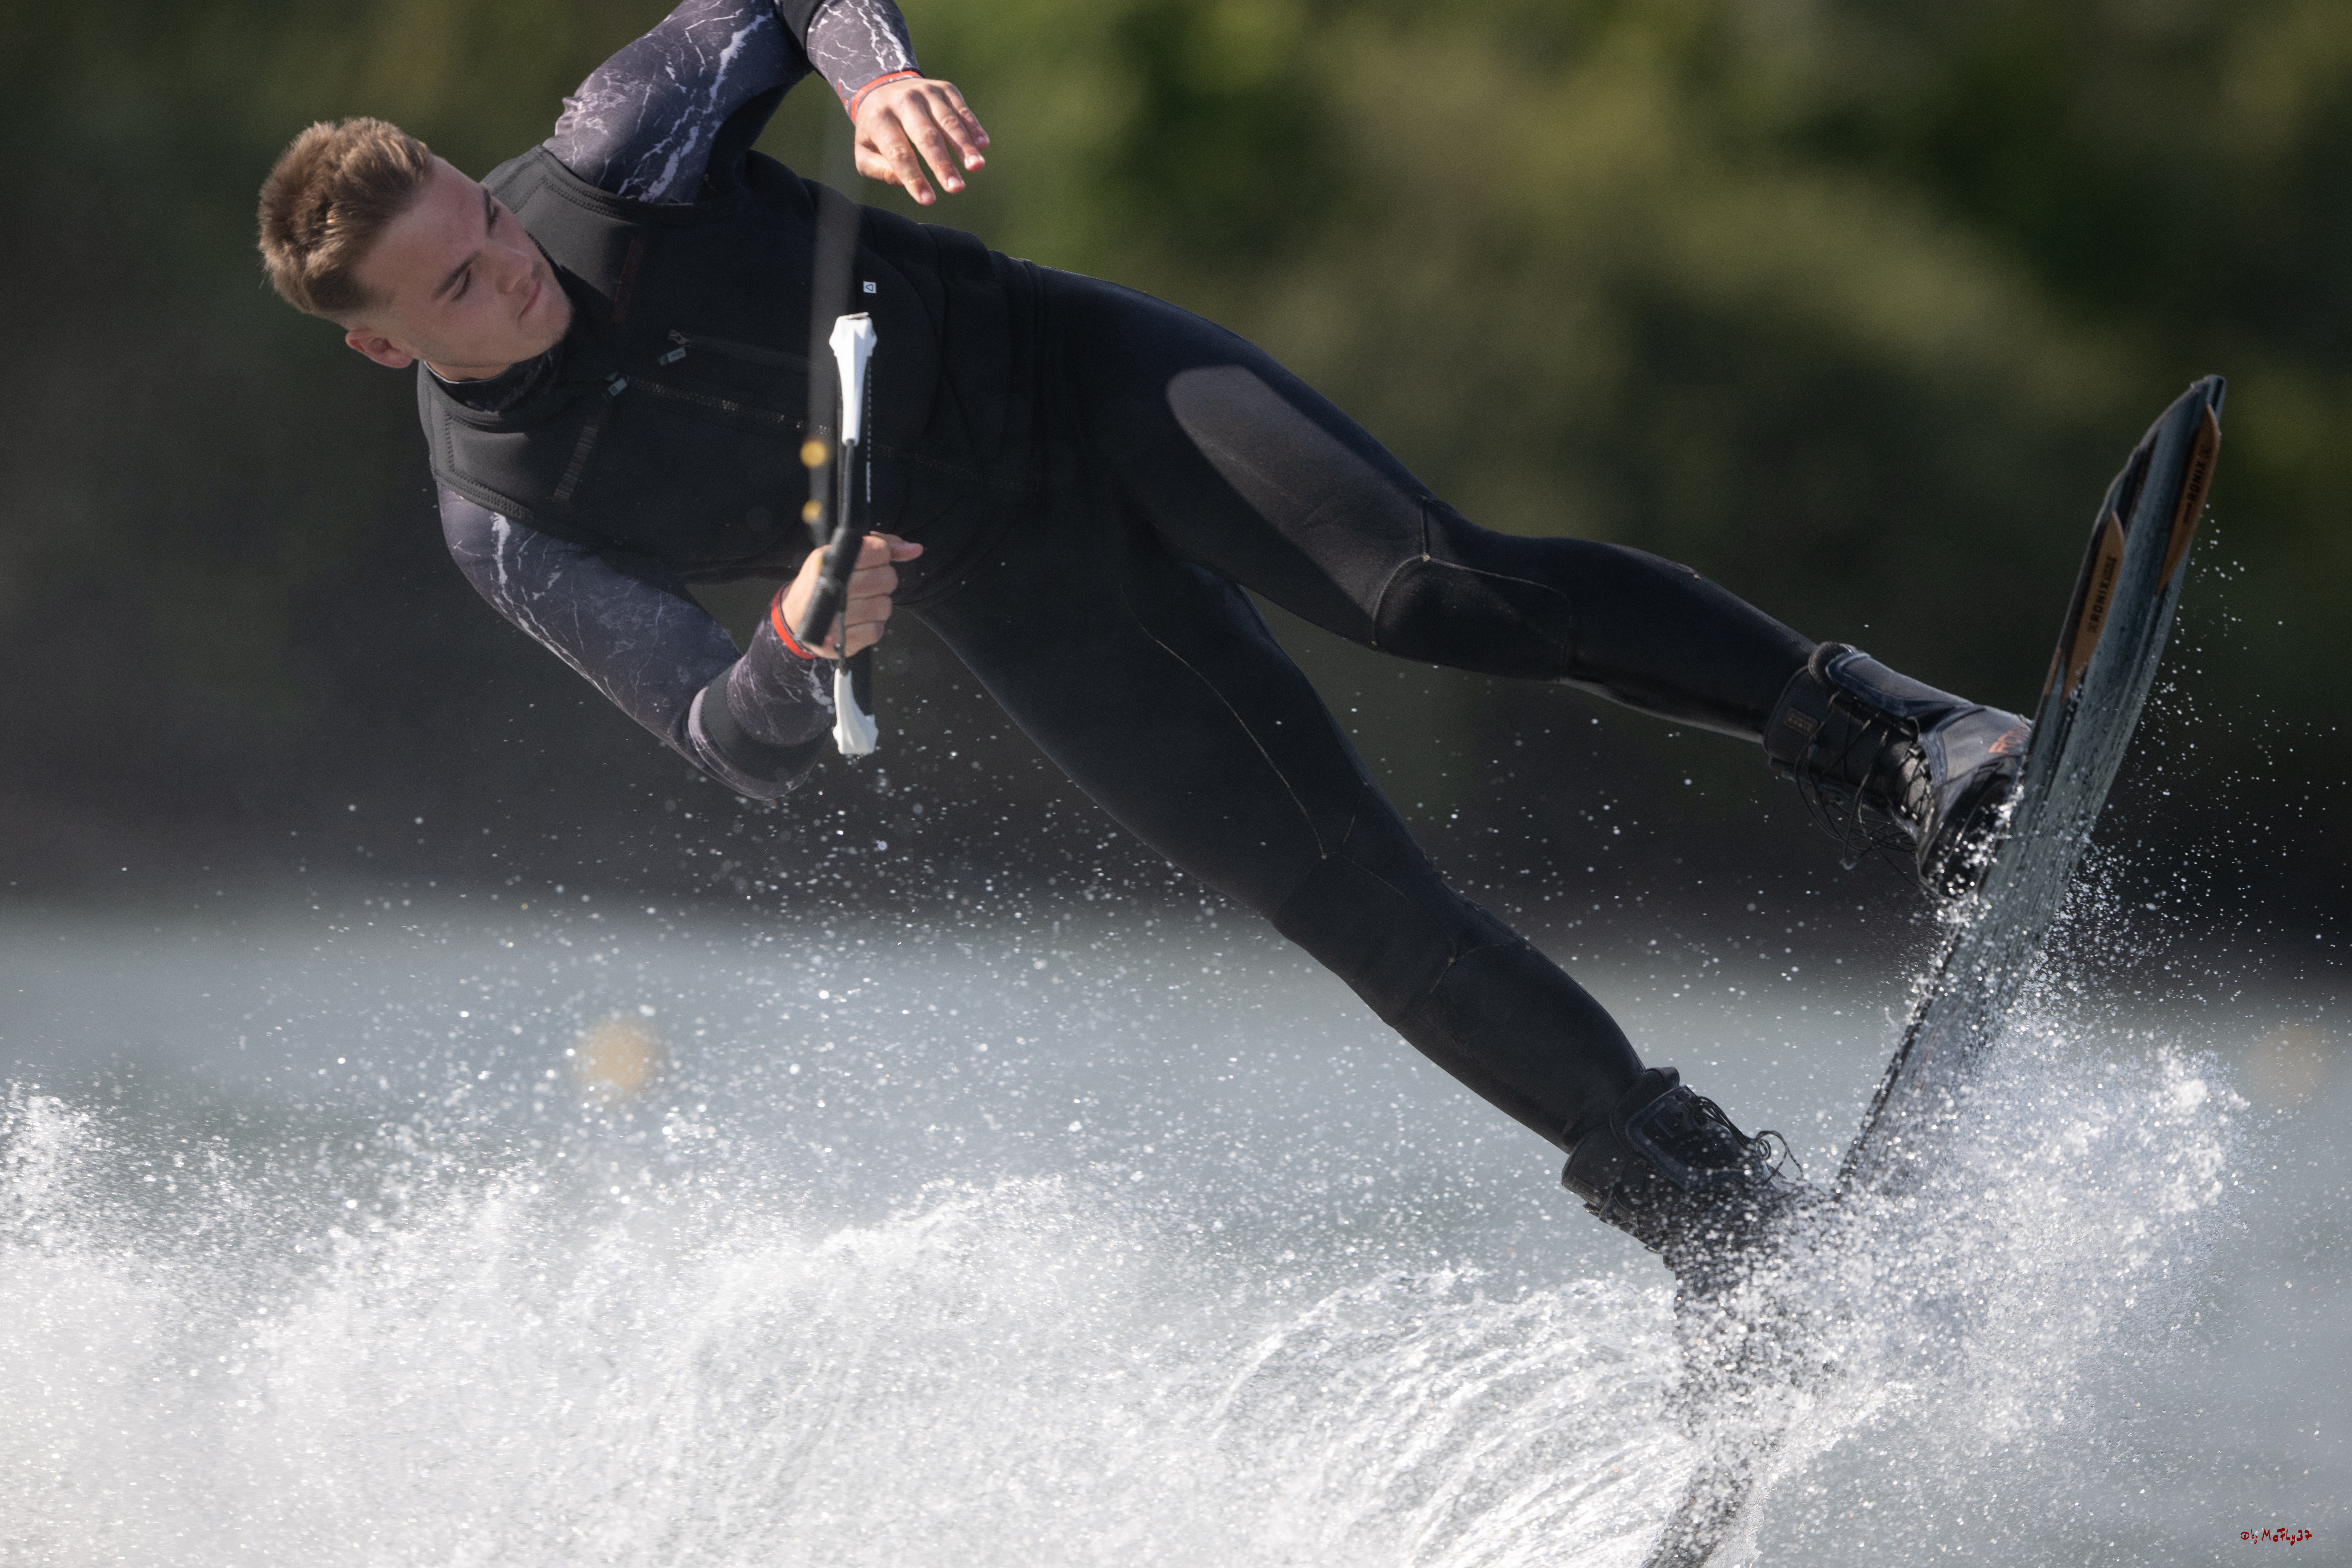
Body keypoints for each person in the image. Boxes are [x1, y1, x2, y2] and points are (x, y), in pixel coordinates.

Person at [254, 0, 2030, 1288]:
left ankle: (1906, 745)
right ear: (384, 348)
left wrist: (873, 78)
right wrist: (800, 644)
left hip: (1082, 380)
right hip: (1010, 582)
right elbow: (731, 740)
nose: (513, 271)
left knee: (1435, 594)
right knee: (1357, 912)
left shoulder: (611, 147)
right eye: (461, 288)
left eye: (484, 227)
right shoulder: (508, 519)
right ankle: (1717, 1217)